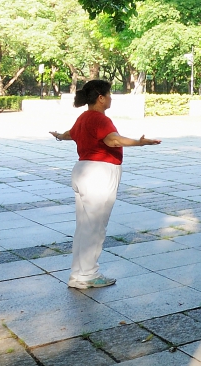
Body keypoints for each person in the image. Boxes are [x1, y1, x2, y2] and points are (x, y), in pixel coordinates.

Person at [50, 80, 161, 289]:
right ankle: (88, 275)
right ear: (100, 98)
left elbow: (69, 134)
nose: (111, 98)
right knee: (95, 227)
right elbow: (113, 140)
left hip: (82, 171)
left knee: (84, 227)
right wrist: (140, 142)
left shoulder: (83, 117)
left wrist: (58, 136)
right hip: (99, 174)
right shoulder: (100, 119)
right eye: (109, 94)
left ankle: (78, 274)